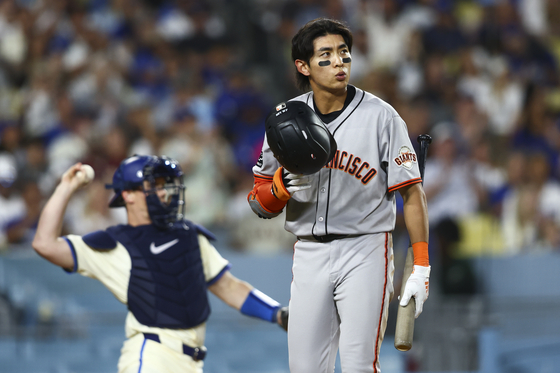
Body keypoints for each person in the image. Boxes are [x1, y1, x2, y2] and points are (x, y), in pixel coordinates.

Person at [247, 18, 430, 373]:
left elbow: (412, 193)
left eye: (344, 54)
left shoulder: (381, 116)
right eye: (326, 55)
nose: (339, 63)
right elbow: (258, 202)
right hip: (309, 252)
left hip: (365, 249)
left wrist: (420, 265)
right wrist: (279, 189)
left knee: (360, 366)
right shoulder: (284, 122)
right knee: (304, 369)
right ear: (304, 66)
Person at [32, 154, 287, 373]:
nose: (164, 191)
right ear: (128, 195)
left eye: (165, 184)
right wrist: (66, 186)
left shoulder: (189, 234)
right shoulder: (112, 243)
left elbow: (229, 287)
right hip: (152, 356)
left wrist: (276, 313)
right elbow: (45, 244)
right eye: (154, 185)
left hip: (192, 362)